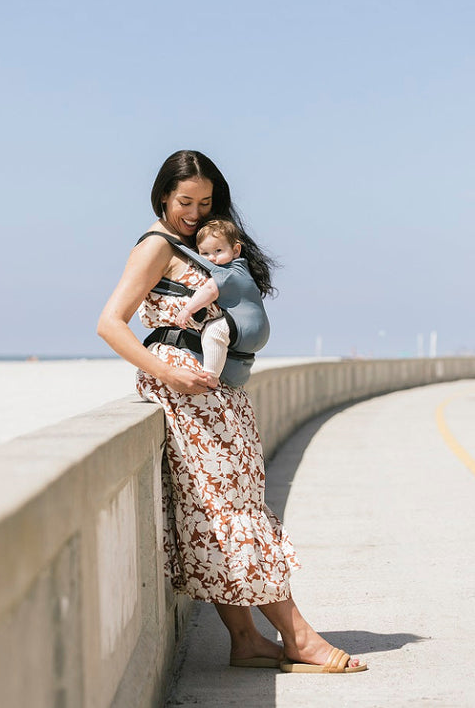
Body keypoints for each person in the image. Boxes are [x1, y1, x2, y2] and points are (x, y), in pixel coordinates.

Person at [97, 150, 366, 673]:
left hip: (213, 392)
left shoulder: (196, 243)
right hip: (187, 391)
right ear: (162, 196)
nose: (194, 213)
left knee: (219, 513)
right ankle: (299, 639)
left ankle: (246, 640)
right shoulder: (156, 246)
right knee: (233, 512)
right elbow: (110, 322)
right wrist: (168, 372)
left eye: (205, 202)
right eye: (185, 202)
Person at [174, 217, 269, 387]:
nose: (211, 258)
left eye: (218, 251)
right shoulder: (242, 268)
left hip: (246, 329)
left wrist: (188, 310)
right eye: (205, 253)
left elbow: (210, 290)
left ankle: (211, 375)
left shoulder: (227, 274)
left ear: (236, 250)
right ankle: (232, 376)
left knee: (214, 331)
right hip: (259, 332)